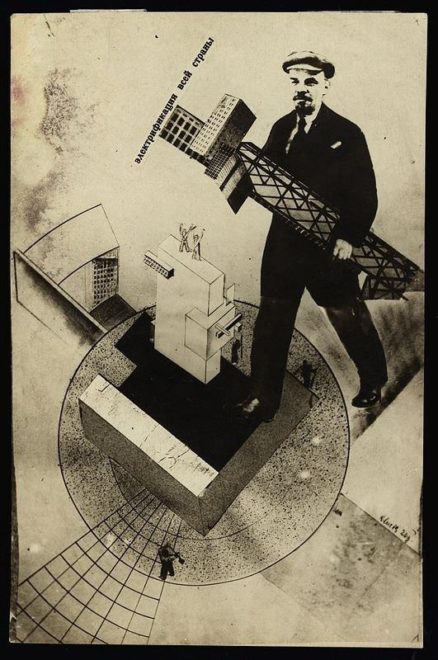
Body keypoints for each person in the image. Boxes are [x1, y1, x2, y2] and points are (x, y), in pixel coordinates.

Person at [234, 51, 387, 422]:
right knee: (272, 320)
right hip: (284, 244)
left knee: (345, 314)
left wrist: (349, 238)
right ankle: (262, 399)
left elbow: (365, 194)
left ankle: (373, 379)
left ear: (325, 85)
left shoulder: (347, 134)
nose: (301, 88)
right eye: (295, 81)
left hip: (329, 245)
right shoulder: (281, 128)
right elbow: (263, 178)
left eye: (310, 81)